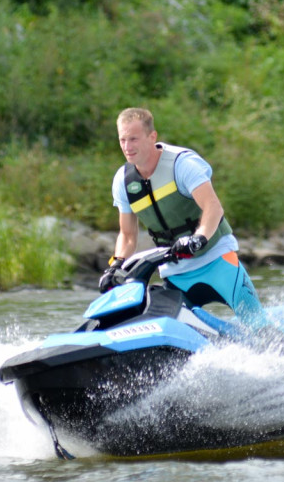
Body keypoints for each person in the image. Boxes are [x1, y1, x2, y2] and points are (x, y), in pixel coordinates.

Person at [99, 107, 263, 323]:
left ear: (152, 136)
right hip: (175, 273)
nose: (127, 147)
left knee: (259, 326)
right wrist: (116, 265)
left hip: (217, 259)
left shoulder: (182, 164)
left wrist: (198, 238)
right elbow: (128, 236)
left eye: (134, 139)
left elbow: (213, 207)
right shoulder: (123, 181)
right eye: (122, 140)